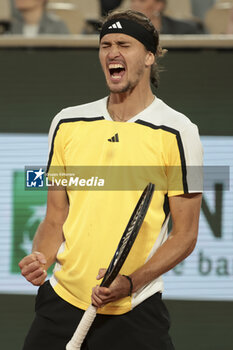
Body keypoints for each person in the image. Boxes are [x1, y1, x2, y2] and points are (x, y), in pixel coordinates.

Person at [18, 9, 203, 350]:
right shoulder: (66, 123)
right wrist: (39, 258)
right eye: (105, 45)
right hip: (60, 304)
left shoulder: (179, 132)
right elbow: (56, 217)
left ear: (149, 56)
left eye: (124, 44)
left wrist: (130, 282)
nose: (112, 53)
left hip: (134, 310)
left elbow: (186, 235)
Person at [131, 0, 204, 34]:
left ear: (158, 5)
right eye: (133, 1)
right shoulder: (126, 30)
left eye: (142, 1)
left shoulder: (185, 31)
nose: (135, 5)